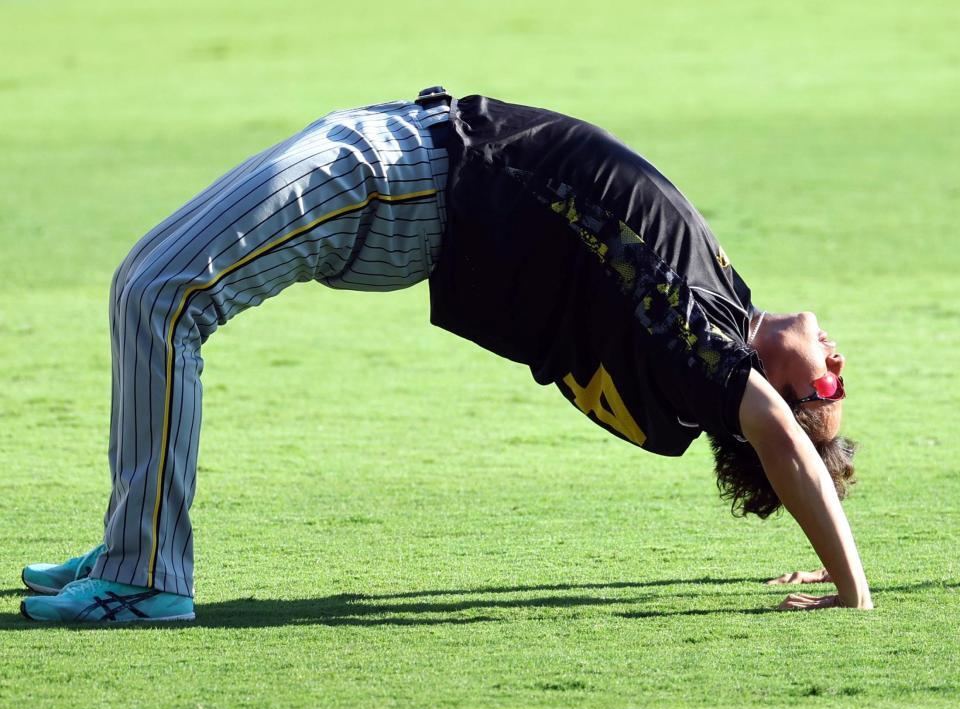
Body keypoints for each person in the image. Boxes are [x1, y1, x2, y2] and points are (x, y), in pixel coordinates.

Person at [20, 87, 872, 623]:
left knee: (159, 300)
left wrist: (849, 587)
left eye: (828, 384)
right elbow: (783, 445)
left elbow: (779, 441)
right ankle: (132, 543)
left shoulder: (701, 347)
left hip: (393, 182)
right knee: (145, 289)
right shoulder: (718, 309)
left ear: (782, 398)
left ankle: (145, 577)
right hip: (398, 169)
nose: (835, 355)